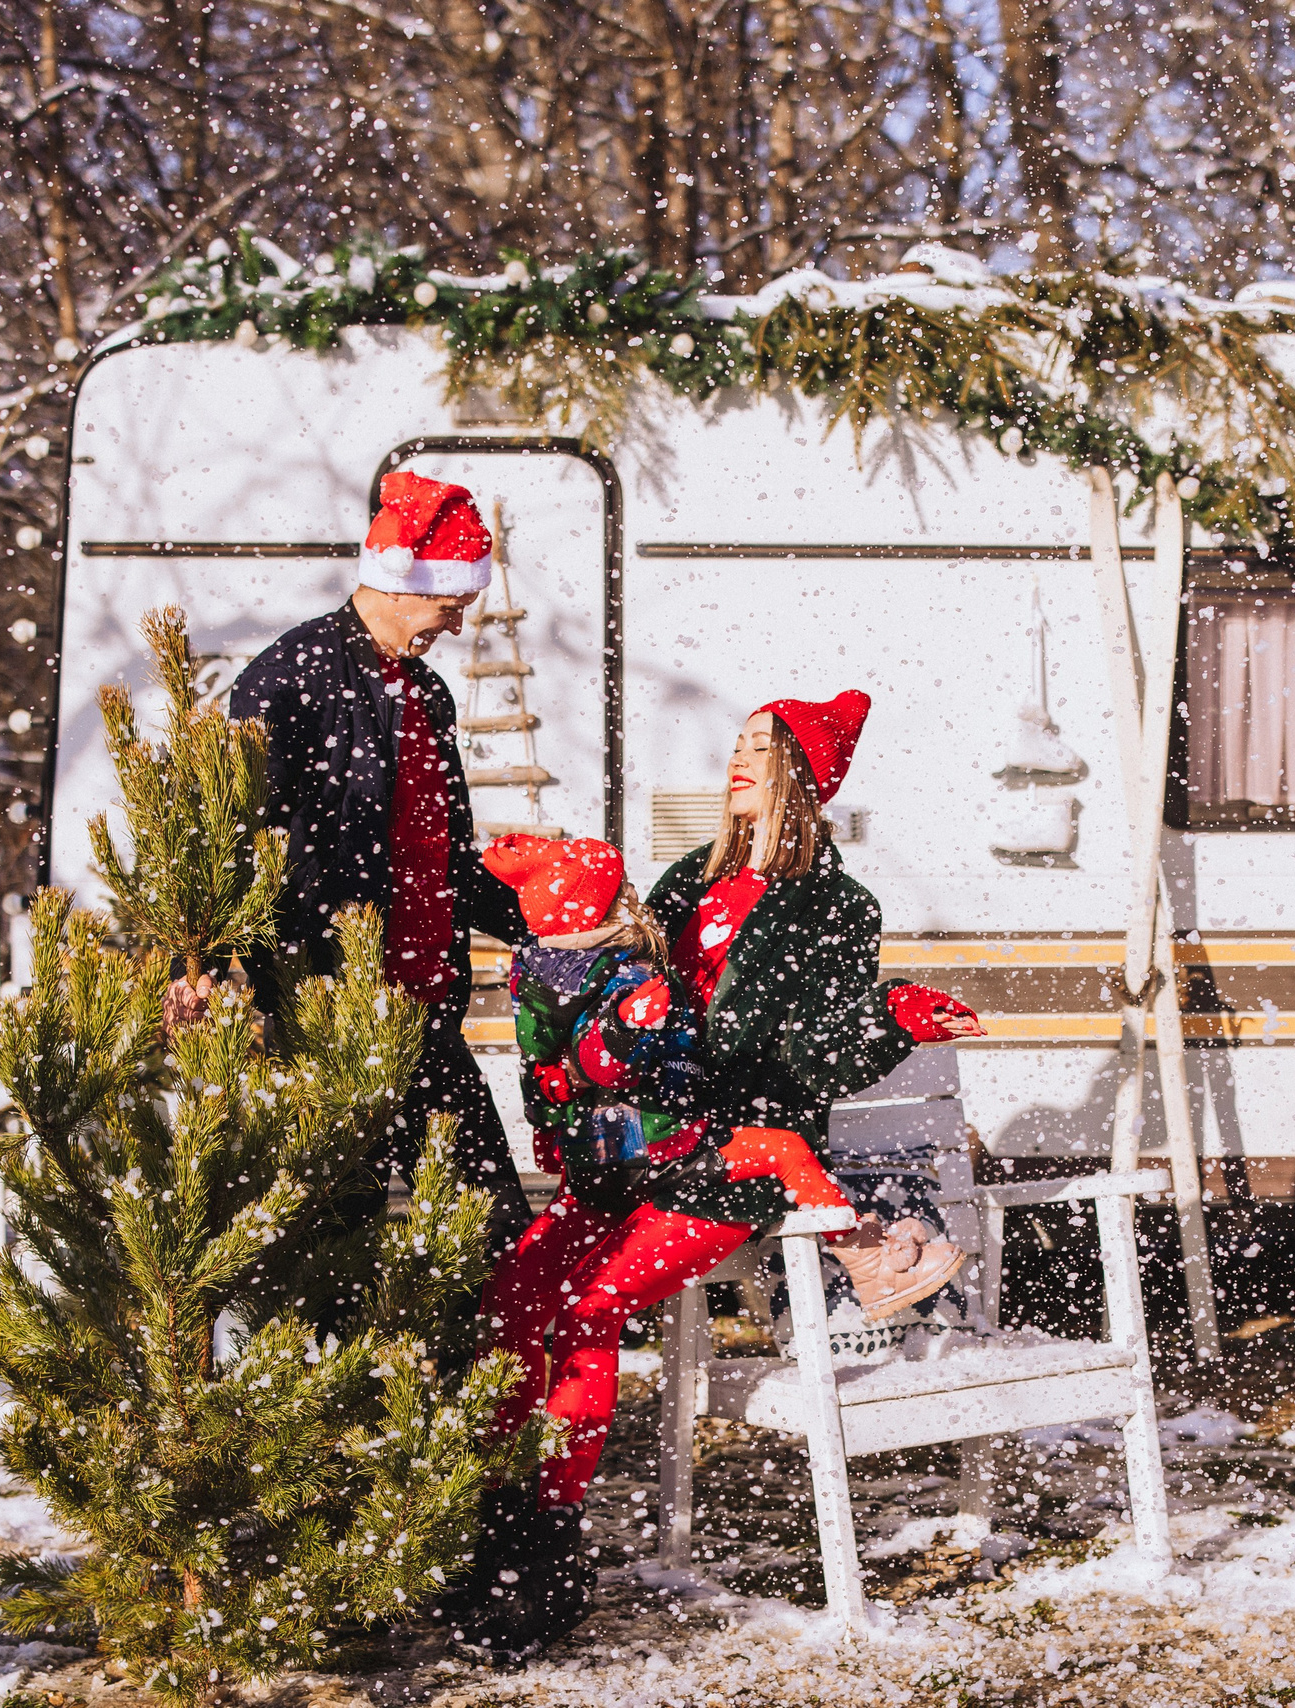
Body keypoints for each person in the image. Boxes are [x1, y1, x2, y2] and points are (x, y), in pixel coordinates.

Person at [447, 693, 980, 1658]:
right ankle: (493, 1529)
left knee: (584, 1310)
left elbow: (816, 1055)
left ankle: (547, 1551)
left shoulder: (835, 908)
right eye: (736, 745)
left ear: (804, 778)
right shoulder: (688, 878)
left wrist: (892, 1015)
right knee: (512, 1298)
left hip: (734, 1165)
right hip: (633, 1153)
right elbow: (601, 961)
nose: (737, 763)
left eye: (759, 750)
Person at [225, 472, 534, 1253]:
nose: (457, 627)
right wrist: (203, 970)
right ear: (401, 585)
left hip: (426, 1016)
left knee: (490, 1229)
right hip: (331, 1013)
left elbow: (447, 858)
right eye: (450, 606)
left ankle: (492, 1375)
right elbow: (229, 838)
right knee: (333, 1248)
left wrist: (551, 920)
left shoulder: (427, 693)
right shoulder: (289, 679)